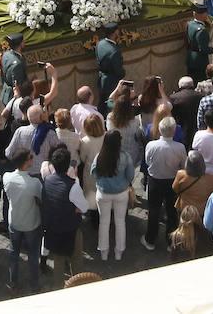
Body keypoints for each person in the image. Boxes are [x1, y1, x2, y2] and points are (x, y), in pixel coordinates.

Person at [40, 146, 89, 282]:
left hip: (53, 229)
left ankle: (58, 289)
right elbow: (84, 208)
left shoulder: (47, 180)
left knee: (58, 262)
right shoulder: (73, 186)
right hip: (71, 230)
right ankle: (77, 286)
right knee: (76, 262)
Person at [91, 129, 136, 261]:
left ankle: (103, 252)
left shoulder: (99, 156)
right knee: (120, 222)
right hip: (121, 193)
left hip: (103, 193)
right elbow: (131, 175)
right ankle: (119, 251)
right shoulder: (125, 156)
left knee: (104, 222)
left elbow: (93, 173)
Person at [2, 150, 43, 292]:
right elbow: (41, 198)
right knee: (33, 254)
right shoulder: (34, 183)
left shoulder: (7, 177)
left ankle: (13, 281)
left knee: (14, 252)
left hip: (14, 221)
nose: (33, 159)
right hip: (31, 223)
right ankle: (34, 283)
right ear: (26, 162)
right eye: (30, 158)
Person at [144, 116, 186, 250]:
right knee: (171, 212)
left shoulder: (151, 145)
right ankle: (170, 242)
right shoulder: (180, 147)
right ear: (174, 131)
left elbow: (147, 161)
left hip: (155, 181)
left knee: (153, 210)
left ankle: (150, 240)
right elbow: (183, 165)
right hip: (172, 181)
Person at [186, 3, 213, 79]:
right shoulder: (202, 30)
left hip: (190, 58)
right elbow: (203, 49)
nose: (206, 15)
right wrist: (211, 49)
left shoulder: (190, 24)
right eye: (205, 13)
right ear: (201, 15)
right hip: (200, 61)